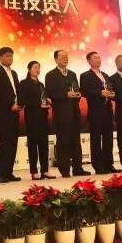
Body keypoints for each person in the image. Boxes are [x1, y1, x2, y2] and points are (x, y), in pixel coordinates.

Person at [45, 49, 90, 177]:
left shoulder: (72, 74)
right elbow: (50, 94)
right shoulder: (50, 75)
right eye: (62, 57)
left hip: (74, 112)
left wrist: (77, 94)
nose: (65, 59)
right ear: (56, 59)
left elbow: (76, 89)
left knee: (76, 141)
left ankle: (78, 168)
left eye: (66, 57)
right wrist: (66, 94)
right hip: (61, 113)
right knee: (63, 141)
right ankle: (64, 169)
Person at [17, 61, 55, 180]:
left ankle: (45, 170)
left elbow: (44, 99)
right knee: (33, 144)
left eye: (39, 68)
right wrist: (38, 103)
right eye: (35, 67)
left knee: (44, 144)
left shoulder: (41, 84)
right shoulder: (24, 83)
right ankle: (34, 171)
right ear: (29, 69)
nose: (37, 70)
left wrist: (47, 102)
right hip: (32, 117)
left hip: (43, 117)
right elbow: (22, 100)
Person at [80, 51, 117, 174]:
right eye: (95, 58)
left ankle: (108, 164)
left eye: (99, 57)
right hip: (95, 112)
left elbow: (111, 89)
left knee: (108, 139)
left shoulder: (105, 75)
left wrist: (112, 94)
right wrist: (100, 93)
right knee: (96, 140)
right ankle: (98, 166)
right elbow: (85, 91)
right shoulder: (85, 75)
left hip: (107, 111)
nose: (98, 60)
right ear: (89, 61)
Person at [0, 47, 22, 183]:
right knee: (5, 142)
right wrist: (11, 104)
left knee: (13, 142)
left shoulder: (13, 73)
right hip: (3, 111)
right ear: (0, 57)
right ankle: (1, 174)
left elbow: (17, 90)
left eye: (11, 56)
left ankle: (9, 172)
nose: (10, 58)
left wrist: (20, 103)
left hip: (15, 111)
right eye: (7, 56)